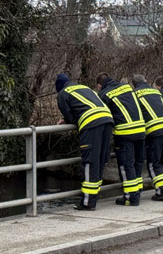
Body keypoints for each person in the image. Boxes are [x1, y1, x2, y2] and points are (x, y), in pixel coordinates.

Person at [55, 73, 113, 211]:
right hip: (107, 120)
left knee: (90, 162)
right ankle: (94, 197)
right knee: (100, 160)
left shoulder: (63, 93)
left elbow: (69, 114)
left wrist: (67, 121)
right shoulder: (85, 88)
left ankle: (87, 202)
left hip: (92, 124)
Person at [96, 73, 146, 206]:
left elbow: (102, 115)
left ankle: (130, 197)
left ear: (99, 85)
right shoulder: (127, 87)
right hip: (141, 129)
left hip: (125, 132)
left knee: (126, 165)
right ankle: (137, 191)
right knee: (137, 163)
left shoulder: (104, 94)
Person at [132, 74, 163, 201]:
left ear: (134, 84)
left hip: (154, 130)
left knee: (154, 162)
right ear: (146, 81)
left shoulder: (135, 93)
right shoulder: (156, 91)